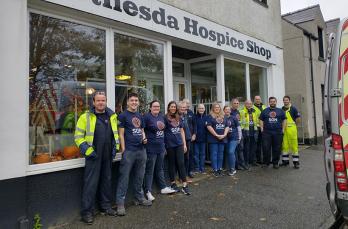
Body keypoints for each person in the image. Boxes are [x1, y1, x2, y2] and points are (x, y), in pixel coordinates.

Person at [74, 91, 119, 225]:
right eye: (98, 100)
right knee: (90, 184)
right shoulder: (85, 117)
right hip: (93, 155)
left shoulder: (112, 116)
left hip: (107, 155)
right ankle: (87, 212)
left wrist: (115, 148)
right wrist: (87, 150)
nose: (101, 103)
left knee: (106, 181)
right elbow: (78, 136)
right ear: (93, 102)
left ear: (106, 102)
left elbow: (115, 134)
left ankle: (105, 207)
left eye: (103, 100)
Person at [116, 93, 152, 216]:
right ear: (128, 102)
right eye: (132, 100)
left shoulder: (139, 115)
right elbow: (120, 134)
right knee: (124, 177)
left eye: (136, 100)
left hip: (141, 150)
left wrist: (145, 138)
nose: (134, 102)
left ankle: (139, 197)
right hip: (129, 151)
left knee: (140, 176)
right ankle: (120, 203)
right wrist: (123, 149)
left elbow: (142, 130)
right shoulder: (123, 115)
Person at [143, 100, 176, 202]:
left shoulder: (162, 117)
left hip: (161, 147)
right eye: (154, 106)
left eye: (158, 106)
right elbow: (142, 130)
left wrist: (164, 145)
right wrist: (144, 139)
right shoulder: (147, 117)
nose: (156, 108)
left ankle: (163, 187)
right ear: (150, 108)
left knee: (160, 168)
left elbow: (165, 131)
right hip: (151, 148)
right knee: (150, 170)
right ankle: (148, 191)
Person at [164, 101, 191, 195]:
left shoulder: (178, 117)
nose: (173, 108)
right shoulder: (165, 118)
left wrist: (184, 144)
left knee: (181, 163)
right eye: (171, 106)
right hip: (170, 145)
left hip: (179, 144)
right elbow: (162, 132)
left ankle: (184, 185)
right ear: (168, 107)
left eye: (174, 107)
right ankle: (173, 183)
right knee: (172, 164)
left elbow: (182, 131)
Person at [259, 97, 287, 169]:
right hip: (267, 132)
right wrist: (262, 128)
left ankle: (275, 163)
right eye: (271, 101)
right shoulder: (265, 111)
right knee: (266, 148)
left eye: (274, 101)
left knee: (277, 148)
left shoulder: (280, 111)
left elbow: (284, 120)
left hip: (278, 132)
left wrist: (283, 129)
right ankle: (266, 163)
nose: (272, 103)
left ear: (276, 102)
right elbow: (261, 119)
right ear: (269, 102)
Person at [206, 102, 229, 177]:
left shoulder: (224, 116)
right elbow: (209, 126)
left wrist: (224, 135)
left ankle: (219, 169)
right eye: (215, 107)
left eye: (218, 107)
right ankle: (215, 169)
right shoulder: (210, 116)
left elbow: (227, 126)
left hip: (222, 138)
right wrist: (216, 135)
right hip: (213, 139)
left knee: (220, 154)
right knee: (214, 154)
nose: (217, 108)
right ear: (213, 108)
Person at [281, 96, 301, 169]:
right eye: (284, 100)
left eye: (287, 100)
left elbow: (298, 119)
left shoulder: (293, 108)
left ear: (289, 100)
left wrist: (295, 126)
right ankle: (285, 161)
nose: (285, 101)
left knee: (294, 145)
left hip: (292, 129)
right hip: (284, 129)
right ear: (283, 101)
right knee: (284, 146)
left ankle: (296, 162)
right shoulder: (281, 109)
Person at [240, 100, 259, 167]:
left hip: (254, 131)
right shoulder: (242, 111)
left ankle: (253, 161)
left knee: (254, 148)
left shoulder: (255, 111)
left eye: (250, 104)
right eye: (247, 104)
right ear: (245, 104)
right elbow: (240, 122)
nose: (249, 105)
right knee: (246, 148)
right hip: (246, 131)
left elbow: (258, 120)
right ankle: (246, 162)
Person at [223, 106, 241, 176]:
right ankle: (228, 167)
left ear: (230, 111)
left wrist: (239, 138)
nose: (227, 111)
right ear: (224, 110)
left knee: (231, 152)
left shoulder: (234, 118)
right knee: (228, 153)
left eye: (228, 109)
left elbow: (238, 127)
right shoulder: (222, 117)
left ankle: (233, 169)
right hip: (225, 138)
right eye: (226, 109)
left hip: (234, 138)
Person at [178, 101, 193, 182]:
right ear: (178, 108)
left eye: (184, 107)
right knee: (181, 160)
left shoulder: (185, 115)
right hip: (180, 140)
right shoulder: (177, 116)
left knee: (187, 158)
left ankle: (185, 176)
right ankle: (182, 177)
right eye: (181, 107)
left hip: (188, 139)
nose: (183, 109)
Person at [231, 98, 246, 170]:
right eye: (235, 103)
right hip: (233, 134)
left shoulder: (238, 112)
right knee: (235, 150)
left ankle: (242, 164)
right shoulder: (229, 112)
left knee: (241, 149)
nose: (236, 104)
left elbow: (240, 122)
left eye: (237, 103)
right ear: (232, 104)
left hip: (240, 133)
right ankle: (237, 165)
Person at [183, 98, 197, 177]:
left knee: (190, 155)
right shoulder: (180, 113)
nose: (187, 104)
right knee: (184, 156)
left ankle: (190, 171)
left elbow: (195, 124)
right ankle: (183, 172)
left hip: (191, 137)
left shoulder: (191, 113)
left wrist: (194, 134)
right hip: (182, 138)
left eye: (188, 103)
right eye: (185, 103)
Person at [194, 103, 208, 174]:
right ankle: (197, 168)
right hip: (196, 139)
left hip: (204, 139)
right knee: (196, 154)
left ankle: (202, 168)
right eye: (200, 108)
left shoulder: (207, 117)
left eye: (202, 108)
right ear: (197, 109)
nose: (201, 109)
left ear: (204, 109)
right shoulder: (194, 117)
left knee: (202, 154)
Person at [253, 95, 266, 164]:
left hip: (264, 127)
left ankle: (264, 159)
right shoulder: (252, 107)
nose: (258, 100)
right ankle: (258, 160)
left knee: (264, 144)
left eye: (259, 99)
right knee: (257, 144)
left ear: (260, 100)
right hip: (257, 127)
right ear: (254, 100)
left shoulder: (264, 107)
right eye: (256, 99)